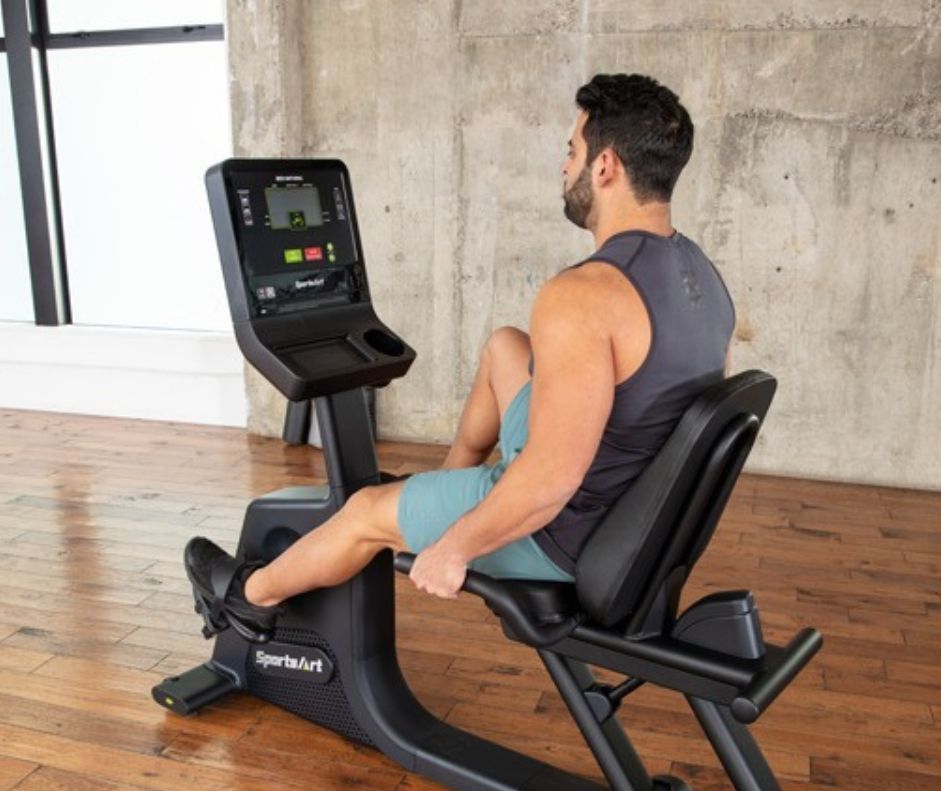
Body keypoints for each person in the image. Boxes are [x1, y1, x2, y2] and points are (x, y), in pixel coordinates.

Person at [186, 73, 735, 638]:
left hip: (562, 530)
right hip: (619, 493)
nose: (565, 166)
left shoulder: (582, 296)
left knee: (363, 513)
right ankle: (440, 492)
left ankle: (248, 598)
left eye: (572, 151)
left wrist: (456, 546)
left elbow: (551, 479)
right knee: (505, 347)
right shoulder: (702, 276)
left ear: (605, 167)